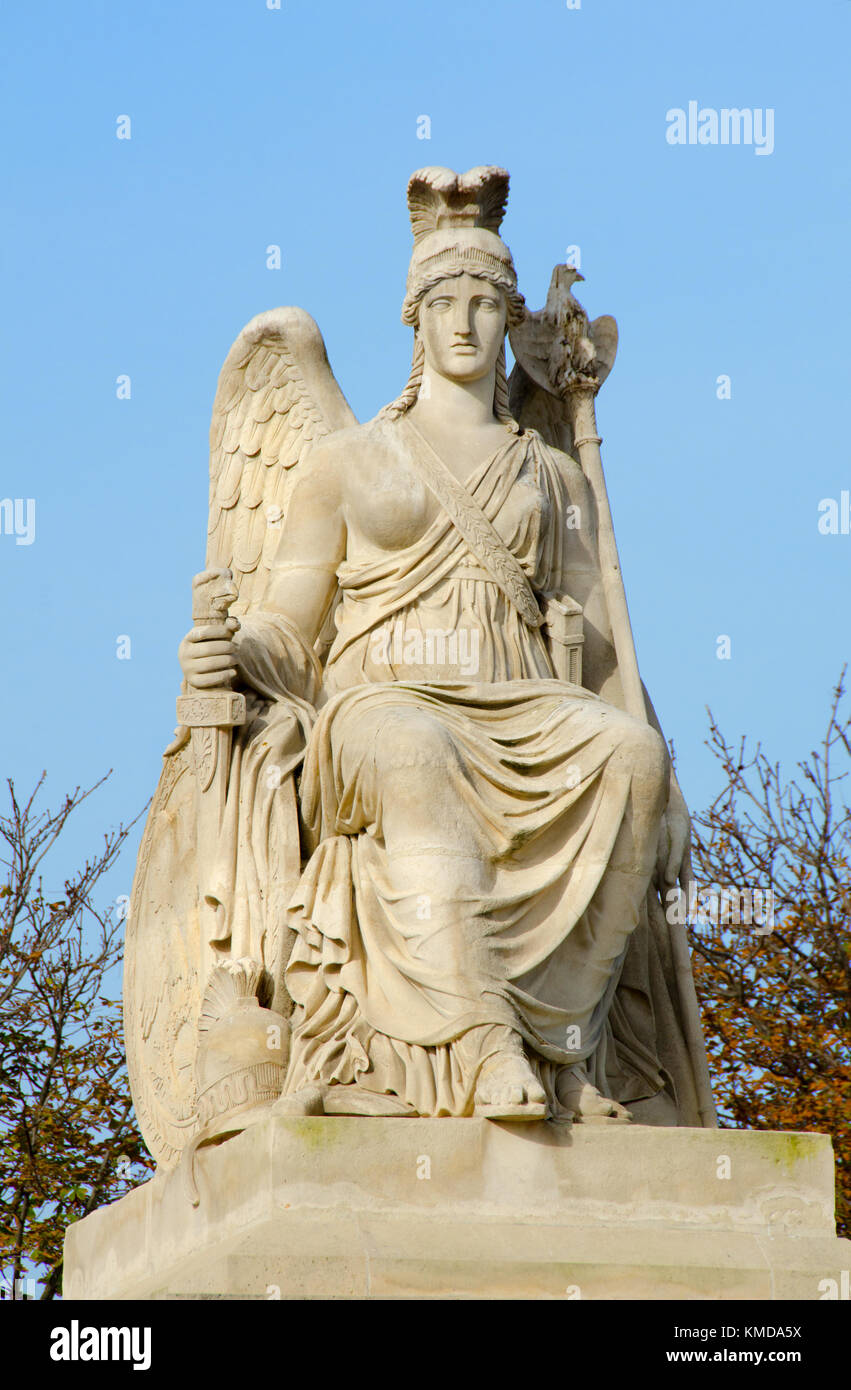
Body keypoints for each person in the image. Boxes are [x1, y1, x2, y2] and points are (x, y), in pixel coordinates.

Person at [178, 169, 689, 1121]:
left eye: (487, 305)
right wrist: (230, 653)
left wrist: (667, 783)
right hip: (379, 709)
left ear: (508, 322)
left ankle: (567, 1046)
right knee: (417, 750)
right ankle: (484, 1040)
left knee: (628, 756)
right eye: (444, 303)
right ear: (413, 319)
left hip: (529, 704)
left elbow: (607, 649)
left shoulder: (550, 470)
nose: (464, 324)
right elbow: (289, 627)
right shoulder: (348, 460)